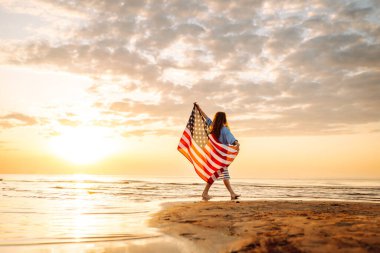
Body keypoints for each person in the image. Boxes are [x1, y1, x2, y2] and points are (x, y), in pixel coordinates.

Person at [194, 103, 241, 201]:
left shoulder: (212, 127)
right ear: (224, 119)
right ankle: (205, 193)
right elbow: (231, 138)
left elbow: (205, 117)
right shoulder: (224, 129)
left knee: (221, 175)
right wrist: (237, 143)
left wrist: (199, 108)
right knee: (219, 175)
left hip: (214, 155)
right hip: (221, 156)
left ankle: (231, 193)